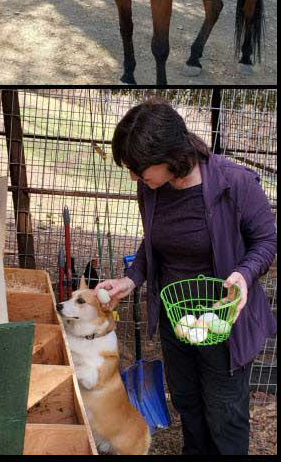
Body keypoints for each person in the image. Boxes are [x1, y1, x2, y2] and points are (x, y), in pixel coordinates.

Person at [95, 99, 275, 456]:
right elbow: (156, 243)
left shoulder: (234, 183)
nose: (133, 177)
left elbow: (267, 240)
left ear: (169, 156)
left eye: (138, 168)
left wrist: (243, 273)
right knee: (188, 403)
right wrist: (132, 279)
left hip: (224, 322)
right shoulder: (151, 188)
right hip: (177, 319)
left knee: (225, 414)